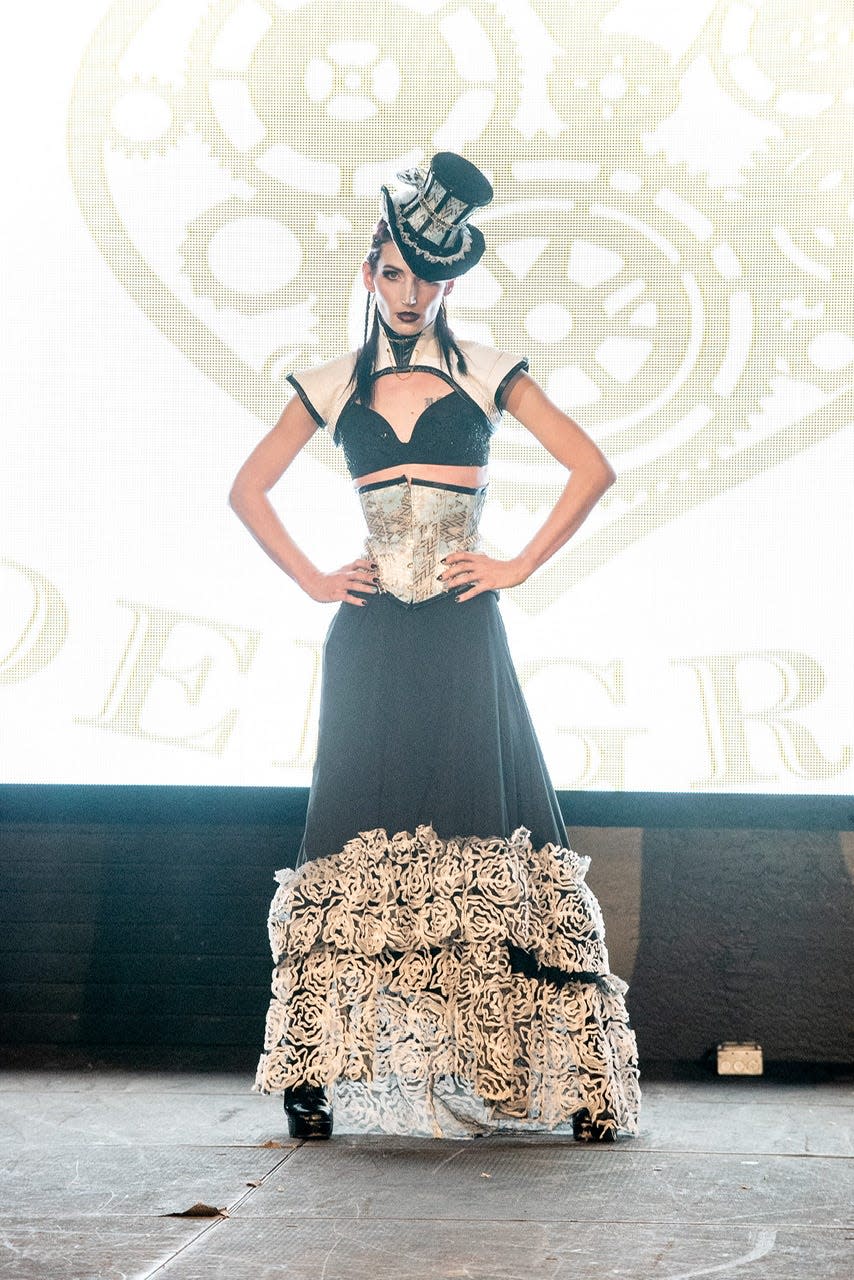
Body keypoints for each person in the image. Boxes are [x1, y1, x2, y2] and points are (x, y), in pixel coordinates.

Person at [230, 152, 640, 1142]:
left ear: (450, 281)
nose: (411, 293)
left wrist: (516, 564)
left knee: (495, 821)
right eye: (395, 273)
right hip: (369, 636)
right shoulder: (329, 382)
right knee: (350, 829)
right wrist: (316, 578)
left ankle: (576, 1081)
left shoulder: (487, 370)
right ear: (370, 275)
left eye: (428, 276)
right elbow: (247, 489)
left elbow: (592, 465)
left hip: (462, 628)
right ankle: (314, 1077)